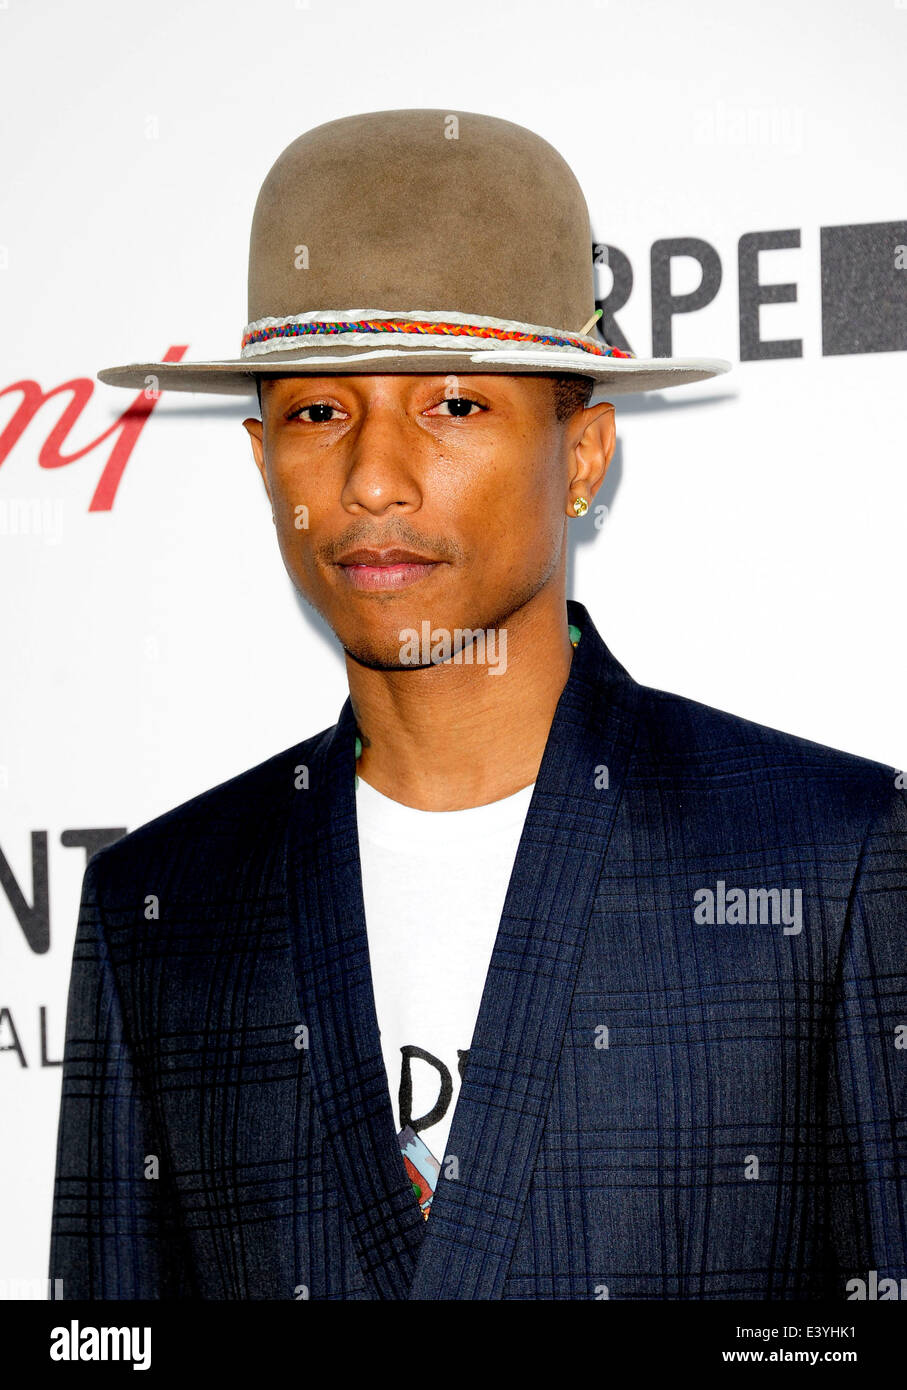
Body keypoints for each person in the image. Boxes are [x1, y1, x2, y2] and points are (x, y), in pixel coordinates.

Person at [49, 108, 906, 1301]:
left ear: (585, 454)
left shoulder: (829, 855)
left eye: (453, 404)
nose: (372, 476)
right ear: (260, 463)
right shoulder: (164, 904)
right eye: (316, 411)